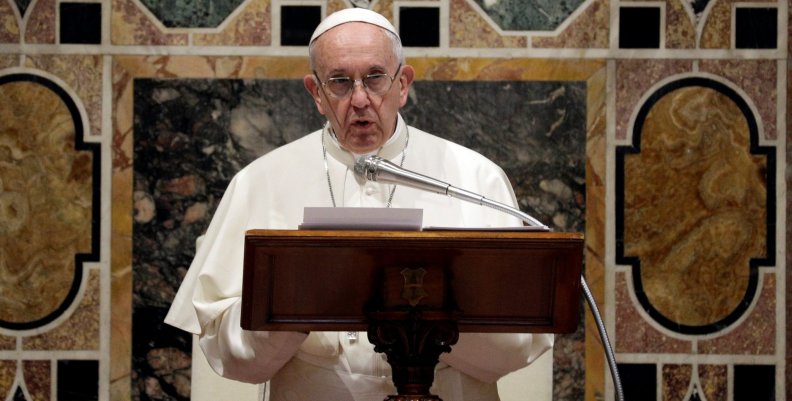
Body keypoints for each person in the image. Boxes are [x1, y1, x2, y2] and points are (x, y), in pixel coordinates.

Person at [165, 7, 553, 400]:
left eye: (375, 78)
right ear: (315, 93)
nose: (360, 99)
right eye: (339, 82)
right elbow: (228, 356)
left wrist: (434, 314)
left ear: (403, 84)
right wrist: (290, 310)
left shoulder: (475, 178)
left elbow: (519, 344)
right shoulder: (260, 182)